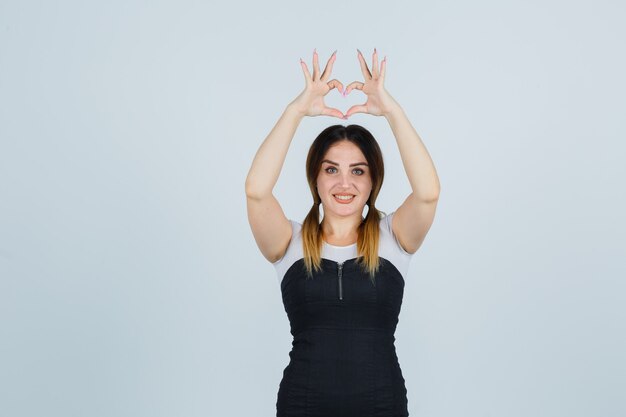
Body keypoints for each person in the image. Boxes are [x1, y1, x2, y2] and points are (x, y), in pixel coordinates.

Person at [245, 48, 440, 417]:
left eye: (358, 170)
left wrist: (392, 111)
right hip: (301, 407)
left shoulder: (393, 238)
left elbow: (428, 193)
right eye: (331, 169)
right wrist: (296, 111)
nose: (344, 182)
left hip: (382, 406)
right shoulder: (289, 243)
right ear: (315, 178)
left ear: (372, 181)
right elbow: (256, 190)